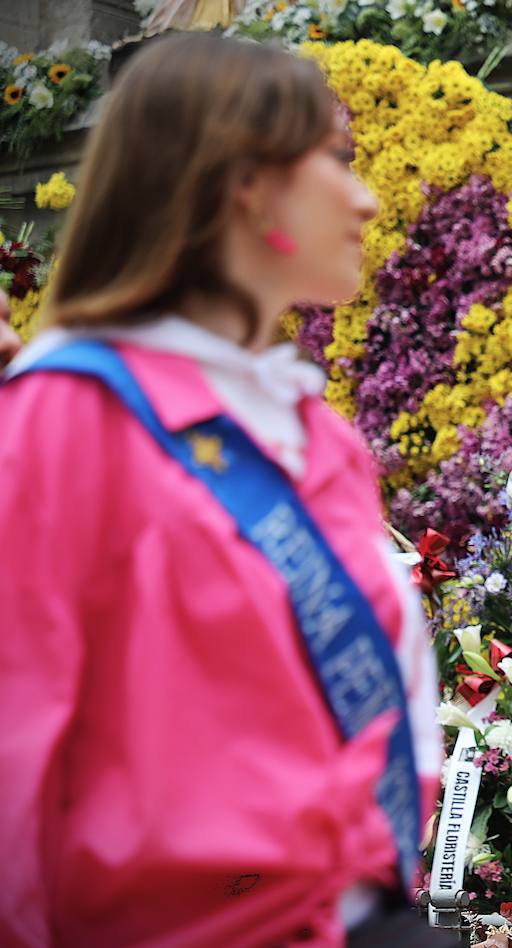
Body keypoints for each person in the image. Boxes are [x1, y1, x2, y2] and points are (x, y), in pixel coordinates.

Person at [0, 34, 445, 947]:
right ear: (244, 179)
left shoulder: (316, 433)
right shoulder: (67, 415)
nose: (365, 197)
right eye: (336, 159)